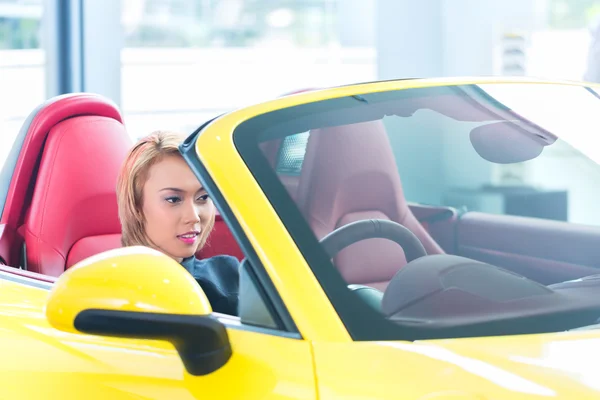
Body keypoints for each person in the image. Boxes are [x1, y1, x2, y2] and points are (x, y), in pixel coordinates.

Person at [116, 131, 240, 315]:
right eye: (173, 199)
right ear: (136, 206)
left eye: (203, 197)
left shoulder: (228, 276)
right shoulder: (111, 292)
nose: (194, 216)